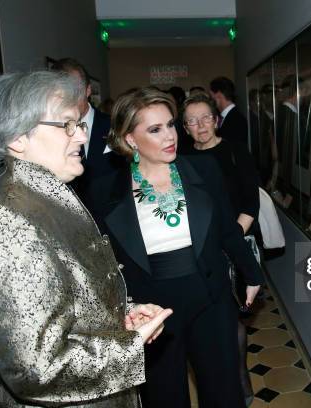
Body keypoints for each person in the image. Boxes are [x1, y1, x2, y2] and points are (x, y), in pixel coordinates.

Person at [0, 71, 172, 407]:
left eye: (80, 125)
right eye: (67, 126)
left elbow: (64, 302)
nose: (80, 137)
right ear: (17, 138)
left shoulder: (44, 199)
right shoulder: (8, 220)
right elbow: (34, 368)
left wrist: (122, 317)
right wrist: (128, 346)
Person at [82, 88, 264, 408]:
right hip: (152, 312)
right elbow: (100, 263)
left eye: (170, 125)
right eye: (155, 129)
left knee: (224, 394)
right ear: (130, 140)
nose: (170, 136)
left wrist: (251, 272)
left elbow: (225, 228)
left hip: (210, 296)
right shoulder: (105, 191)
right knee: (165, 398)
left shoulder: (204, 169)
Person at [182, 93, 260, 406]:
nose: (199, 125)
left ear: (216, 120)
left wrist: (228, 241)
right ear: (184, 128)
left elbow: (250, 205)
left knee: (234, 320)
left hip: (235, 246)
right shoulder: (181, 158)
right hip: (197, 253)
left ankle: (240, 378)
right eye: (191, 120)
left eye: (204, 118)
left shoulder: (235, 152)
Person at [50, 58, 116, 199]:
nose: (70, 98)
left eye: (75, 90)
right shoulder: (48, 132)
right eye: (62, 92)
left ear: (88, 90)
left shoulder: (115, 126)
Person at [209, 76, 248, 144]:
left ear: (218, 95)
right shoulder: (222, 117)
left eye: (211, 95)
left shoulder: (237, 120)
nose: (210, 100)